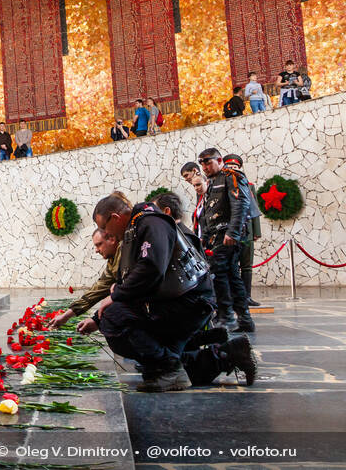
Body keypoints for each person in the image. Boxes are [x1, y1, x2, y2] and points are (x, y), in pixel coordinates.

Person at [89, 194, 255, 391]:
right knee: (156, 367)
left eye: (104, 228)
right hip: (177, 301)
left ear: (115, 217)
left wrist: (114, 297)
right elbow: (132, 277)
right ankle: (228, 354)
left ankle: (171, 367)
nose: (106, 233)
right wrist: (96, 319)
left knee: (114, 318)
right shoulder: (137, 226)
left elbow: (150, 268)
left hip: (189, 303)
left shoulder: (150, 222)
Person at [197, 148, 255, 333]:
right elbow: (208, 213)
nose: (205, 167)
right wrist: (204, 237)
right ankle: (244, 319)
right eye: (202, 163)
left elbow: (241, 204)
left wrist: (233, 232)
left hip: (227, 235)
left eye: (208, 162)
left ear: (219, 160)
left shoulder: (232, 176)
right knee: (231, 275)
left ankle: (227, 316)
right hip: (216, 235)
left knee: (219, 274)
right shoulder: (213, 181)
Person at [49, 218, 123, 331]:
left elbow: (124, 293)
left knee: (110, 312)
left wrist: (96, 320)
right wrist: (66, 316)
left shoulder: (123, 253)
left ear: (112, 239)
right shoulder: (112, 260)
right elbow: (97, 290)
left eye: (99, 245)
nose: (96, 250)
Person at [223, 153, 261, 307]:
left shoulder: (249, 185)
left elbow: (254, 209)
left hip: (248, 231)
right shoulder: (222, 185)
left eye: (235, 167)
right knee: (231, 266)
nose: (233, 169)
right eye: (229, 167)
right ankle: (232, 297)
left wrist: (256, 231)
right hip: (230, 231)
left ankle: (247, 296)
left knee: (246, 265)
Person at [180, 161, 207, 236]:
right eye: (195, 186)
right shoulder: (198, 192)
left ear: (195, 170)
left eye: (186, 175)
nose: (185, 179)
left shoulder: (210, 187)